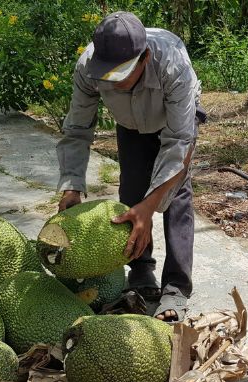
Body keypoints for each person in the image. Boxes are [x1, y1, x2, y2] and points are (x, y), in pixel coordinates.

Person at [56, 11, 204, 322]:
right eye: (107, 75)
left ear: (145, 57)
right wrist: (71, 185)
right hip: (131, 124)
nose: (114, 83)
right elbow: (77, 129)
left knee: (174, 197)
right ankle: (140, 272)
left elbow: (179, 143)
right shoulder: (87, 67)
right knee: (132, 193)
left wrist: (152, 206)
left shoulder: (173, 65)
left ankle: (176, 286)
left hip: (174, 121)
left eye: (121, 74)